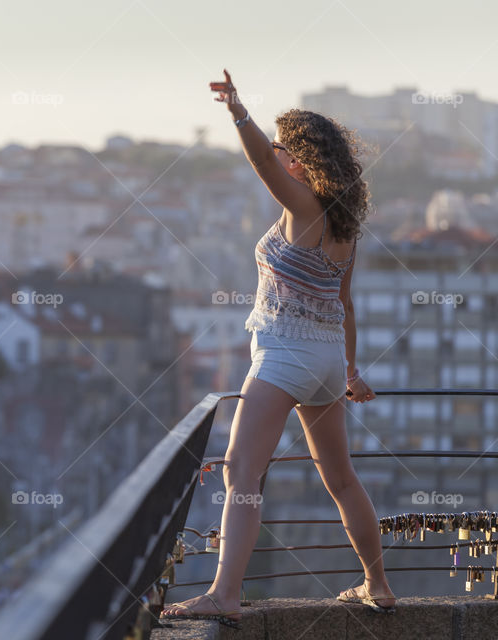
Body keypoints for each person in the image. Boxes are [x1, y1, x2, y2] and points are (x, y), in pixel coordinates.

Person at [160, 70, 395, 629]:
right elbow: (346, 304)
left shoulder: (304, 206)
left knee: (240, 471)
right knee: (340, 478)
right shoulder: (344, 221)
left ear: (300, 158)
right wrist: (350, 370)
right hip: (325, 361)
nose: (279, 153)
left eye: (285, 145)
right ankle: (378, 584)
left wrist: (238, 111)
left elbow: (262, 163)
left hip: (285, 356)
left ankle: (225, 593)